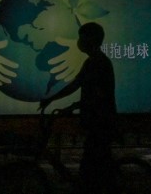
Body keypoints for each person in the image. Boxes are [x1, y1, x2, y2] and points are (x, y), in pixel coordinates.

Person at [40, 22, 118, 194]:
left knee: (89, 169)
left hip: (101, 124)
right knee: (95, 167)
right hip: (96, 123)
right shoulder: (92, 62)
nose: (79, 41)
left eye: (82, 37)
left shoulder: (98, 63)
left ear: (91, 39)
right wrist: (53, 99)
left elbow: (98, 97)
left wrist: (70, 106)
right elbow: (76, 84)